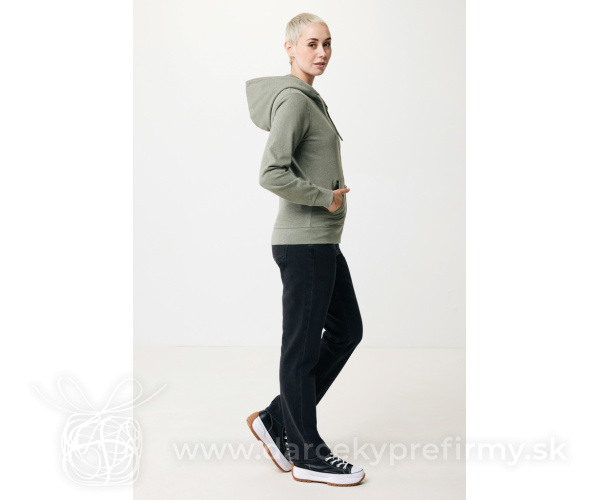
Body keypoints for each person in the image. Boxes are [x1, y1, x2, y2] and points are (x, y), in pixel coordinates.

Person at [245, 12, 365, 487]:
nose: (322, 52)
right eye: (311, 43)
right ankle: (307, 454)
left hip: (321, 242)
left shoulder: (309, 99)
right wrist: (324, 197)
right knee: (301, 348)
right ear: (290, 48)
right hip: (304, 242)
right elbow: (270, 172)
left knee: (346, 331)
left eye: (327, 43)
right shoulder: (295, 101)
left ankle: (277, 419)